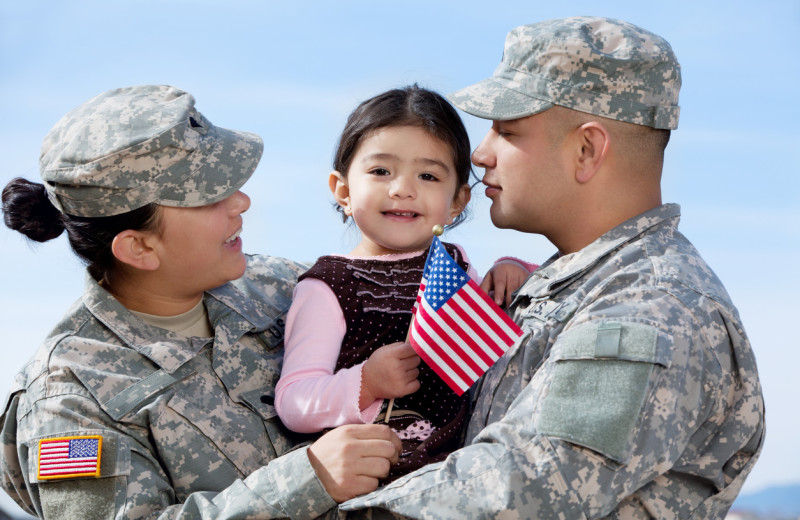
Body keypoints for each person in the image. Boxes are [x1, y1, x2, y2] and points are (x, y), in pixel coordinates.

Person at [338, 16, 765, 518]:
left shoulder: (650, 306)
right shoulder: (571, 284)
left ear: (586, 150)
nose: (480, 153)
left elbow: (516, 492)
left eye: (506, 129)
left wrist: (300, 497)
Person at [0, 84, 403, 519]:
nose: (241, 202)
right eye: (209, 196)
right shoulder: (68, 397)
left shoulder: (286, 284)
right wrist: (305, 481)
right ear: (139, 248)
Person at [274, 85, 534, 482]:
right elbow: (294, 400)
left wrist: (513, 265)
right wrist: (367, 382)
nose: (403, 189)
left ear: (457, 202)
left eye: (428, 175)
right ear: (343, 190)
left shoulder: (456, 266)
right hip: (381, 480)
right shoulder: (329, 284)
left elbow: (514, 316)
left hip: (466, 471)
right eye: (381, 171)